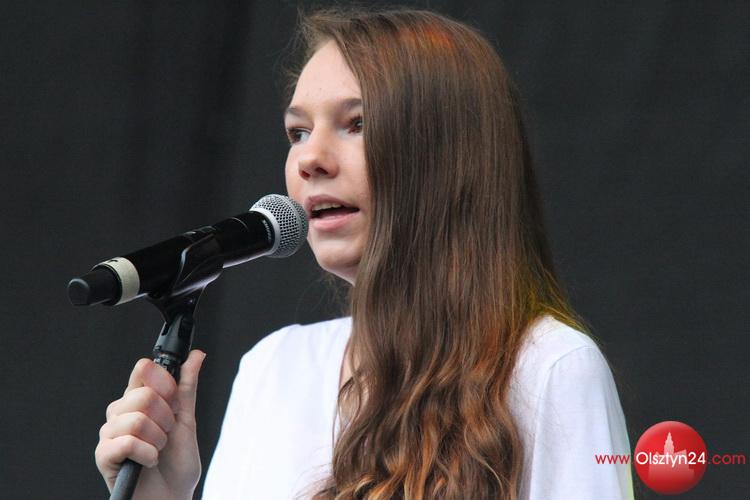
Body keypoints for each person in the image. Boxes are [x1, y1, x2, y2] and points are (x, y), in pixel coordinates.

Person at [95, 7, 634, 499]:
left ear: (451, 155)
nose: (310, 159)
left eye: (357, 123)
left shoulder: (550, 368)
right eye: (298, 132)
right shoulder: (274, 369)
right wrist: (161, 496)